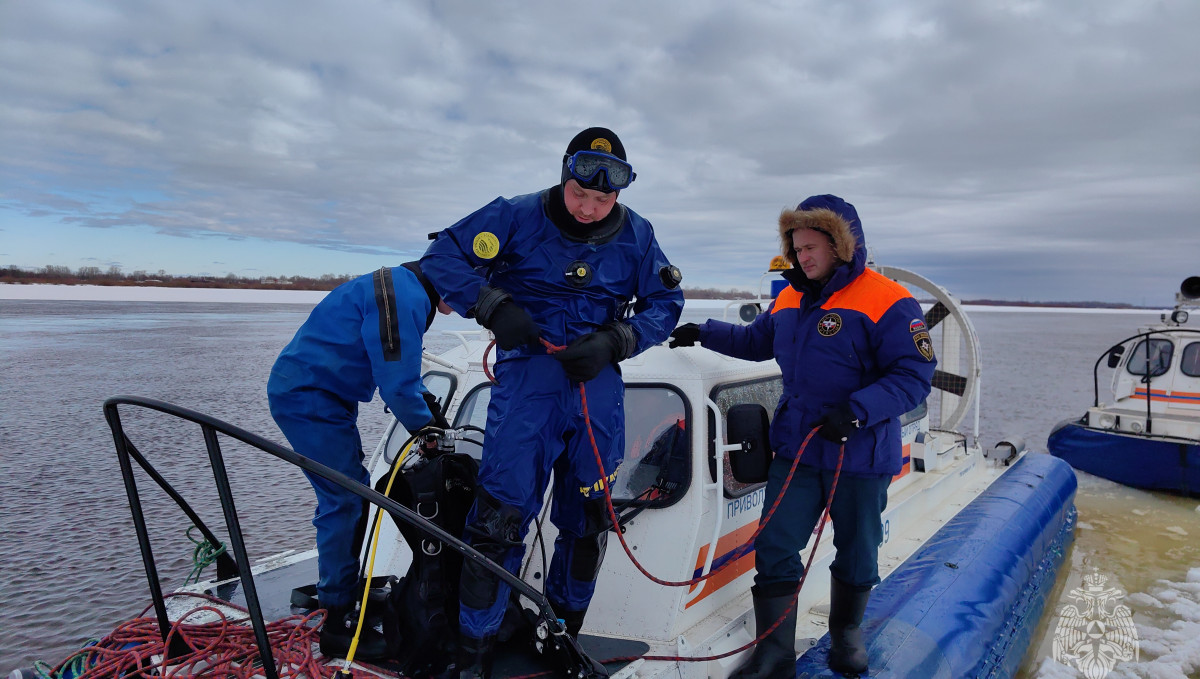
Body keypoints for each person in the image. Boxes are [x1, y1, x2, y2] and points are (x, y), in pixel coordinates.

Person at [420, 127, 684, 678]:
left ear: (618, 194)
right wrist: (491, 304)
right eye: (579, 193)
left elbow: (666, 300)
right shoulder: (514, 215)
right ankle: (476, 653)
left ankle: (562, 637)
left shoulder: (638, 235)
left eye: (603, 198)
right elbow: (443, 256)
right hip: (526, 384)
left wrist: (619, 340)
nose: (589, 208)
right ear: (564, 176)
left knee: (587, 520)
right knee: (497, 522)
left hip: (597, 384)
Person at [668, 195, 935, 677]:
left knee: (857, 547)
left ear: (842, 245)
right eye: (796, 247)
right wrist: (702, 331)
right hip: (798, 446)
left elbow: (914, 374)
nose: (803, 257)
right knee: (774, 544)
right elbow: (756, 341)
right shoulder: (791, 296)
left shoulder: (889, 300)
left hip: (860, 450)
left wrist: (857, 411)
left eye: (812, 247)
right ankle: (775, 652)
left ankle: (847, 634)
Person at [267, 262, 452, 660]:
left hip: (324, 394)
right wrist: (429, 430)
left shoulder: (405, 288)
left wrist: (431, 411)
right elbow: (399, 387)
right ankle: (338, 625)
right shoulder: (404, 296)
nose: (472, 306)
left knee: (353, 492)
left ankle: (345, 594)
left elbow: (401, 368)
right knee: (345, 500)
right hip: (309, 397)